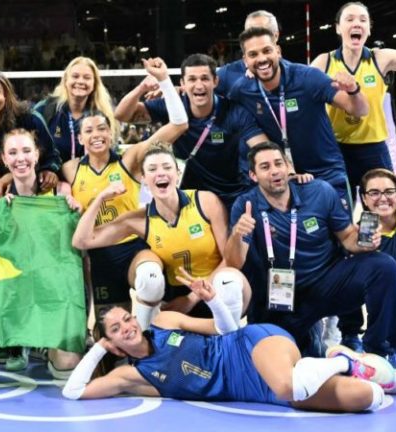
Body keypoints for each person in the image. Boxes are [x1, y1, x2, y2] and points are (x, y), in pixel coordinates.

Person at [61, 290, 393, 413]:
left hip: (251, 346)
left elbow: (225, 329)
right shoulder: (131, 375)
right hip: (257, 391)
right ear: (113, 344)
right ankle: (366, 372)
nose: (127, 327)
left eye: (127, 318)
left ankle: (339, 361)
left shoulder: (164, 322)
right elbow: (73, 392)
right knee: (366, 397)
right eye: (116, 330)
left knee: (288, 385)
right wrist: (98, 351)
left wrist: (213, 301)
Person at [225, 142, 396, 357]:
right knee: (278, 359)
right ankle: (310, 336)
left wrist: (366, 241)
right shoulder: (245, 205)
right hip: (278, 298)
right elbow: (234, 263)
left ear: (288, 166)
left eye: (278, 163)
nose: (274, 171)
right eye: (265, 167)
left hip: (326, 285)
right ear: (253, 175)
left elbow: (346, 237)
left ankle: (377, 352)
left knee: (384, 267)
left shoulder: (319, 191)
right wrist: (237, 234)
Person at [65, 57, 188, 331]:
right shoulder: (70, 169)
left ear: (111, 133)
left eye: (102, 128)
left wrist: (165, 81)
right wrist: (64, 194)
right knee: (109, 333)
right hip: (97, 255)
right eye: (89, 130)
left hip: (133, 246)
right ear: (81, 138)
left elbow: (179, 125)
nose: (96, 134)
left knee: (151, 280)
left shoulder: (129, 158)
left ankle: (148, 343)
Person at [73, 146, 250, 324]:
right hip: (175, 300)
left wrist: (192, 298)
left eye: (167, 167)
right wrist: (101, 197)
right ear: (143, 179)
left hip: (215, 291)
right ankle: (146, 337)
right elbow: (81, 241)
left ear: (178, 173)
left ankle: (231, 340)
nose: (160, 173)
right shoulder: (139, 220)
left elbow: (230, 261)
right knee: (149, 276)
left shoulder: (206, 201)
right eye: (152, 169)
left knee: (228, 280)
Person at [228, 27, 368, 208]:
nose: (262, 59)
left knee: (342, 233)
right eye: (253, 54)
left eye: (267, 51)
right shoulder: (242, 90)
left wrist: (353, 90)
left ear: (278, 51)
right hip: (284, 181)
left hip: (326, 173)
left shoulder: (308, 78)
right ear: (245, 61)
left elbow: (360, 110)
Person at [116, 53, 270, 209]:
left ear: (215, 81)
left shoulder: (234, 112)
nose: (199, 85)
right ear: (182, 83)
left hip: (228, 195)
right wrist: (142, 88)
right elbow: (122, 115)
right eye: (192, 79)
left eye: (204, 78)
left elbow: (263, 146)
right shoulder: (173, 106)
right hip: (185, 196)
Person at [0, 129, 79, 373]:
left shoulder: (60, 192)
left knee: (67, 365)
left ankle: (46, 341)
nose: (21, 158)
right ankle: (16, 339)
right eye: (13, 153)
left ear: (37, 155)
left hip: (52, 288)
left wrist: (72, 207)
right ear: (5, 160)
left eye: (27, 151)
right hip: (17, 288)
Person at [311, 2, 396, 199]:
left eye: (363, 19)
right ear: (338, 28)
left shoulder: (380, 58)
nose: (356, 23)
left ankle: (374, 232)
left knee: (384, 206)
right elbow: (294, 81)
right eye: (349, 19)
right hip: (337, 149)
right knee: (338, 211)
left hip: (374, 148)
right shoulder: (324, 62)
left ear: (369, 29)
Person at [359, 169, 396, 375]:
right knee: (395, 301)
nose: (382, 198)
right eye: (374, 193)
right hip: (395, 304)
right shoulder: (361, 232)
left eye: (389, 192)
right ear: (365, 199)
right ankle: (394, 349)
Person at [0, 68, 61, 192]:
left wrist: (49, 170)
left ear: (6, 94)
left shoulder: (30, 118)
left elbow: (52, 155)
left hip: (31, 178)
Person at [32, 57, 119, 163]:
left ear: (94, 84)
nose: (80, 81)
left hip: (91, 177)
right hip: (51, 177)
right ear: (65, 80)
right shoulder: (45, 109)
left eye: (87, 78)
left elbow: (111, 152)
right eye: (75, 76)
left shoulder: (104, 115)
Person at [215, 10, 281, 96]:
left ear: (276, 36)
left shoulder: (299, 76)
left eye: (263, 32)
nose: (256, 38)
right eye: (250, 33)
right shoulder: (227, 75)